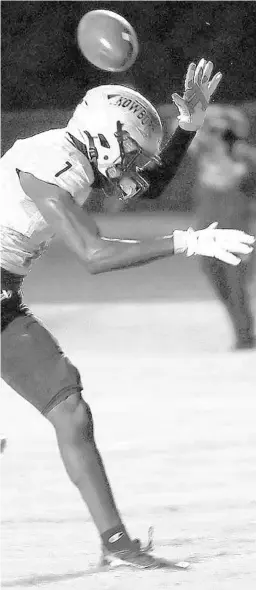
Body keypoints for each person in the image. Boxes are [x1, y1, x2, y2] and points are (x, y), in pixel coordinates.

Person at [1, 59, 254, 570]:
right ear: (108, 138)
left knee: (69, 407)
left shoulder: (75, 155)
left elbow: (149, 185)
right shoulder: (51, 164)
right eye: (132, 152)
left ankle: (116, 544)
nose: (133, 165)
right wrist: (186, 239)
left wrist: (187, 125)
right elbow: (94, 256)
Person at [189, 105, 256, 349]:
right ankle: (242, 329)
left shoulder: (243, 155)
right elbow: (189, 139)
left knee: (236, 283)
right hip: (208, 232)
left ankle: (244, 336)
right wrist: (204, 127)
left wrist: (224, 149)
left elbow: (236, 175)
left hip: (236, 231)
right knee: (215, 277)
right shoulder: (205, 154)